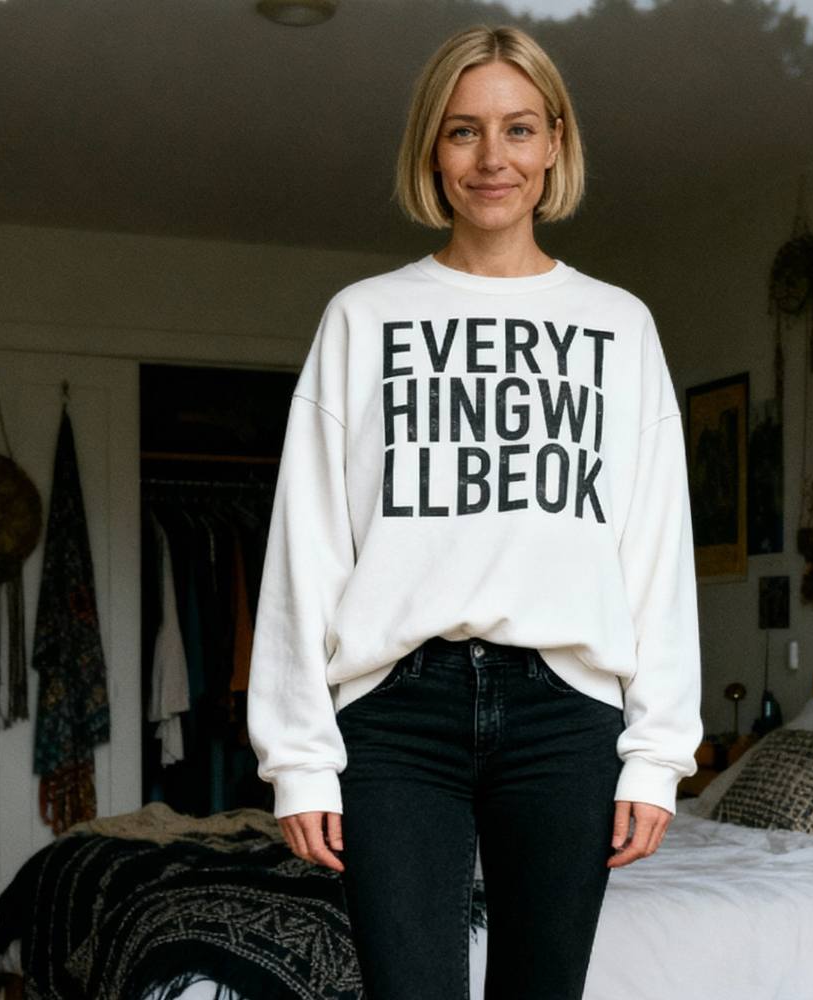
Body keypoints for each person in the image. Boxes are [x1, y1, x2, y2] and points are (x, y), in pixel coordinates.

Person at [247, 24, 701, 1000]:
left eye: (517, 129)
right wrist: (298, 761)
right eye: (463, 132)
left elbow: (655, 552)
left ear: (553, 145)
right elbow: (306, 548)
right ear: (431, 151)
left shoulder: (618, 326)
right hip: (396, 715)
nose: (492, 158)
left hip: (565, 719)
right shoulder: (362, 318)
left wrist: (657, 756)